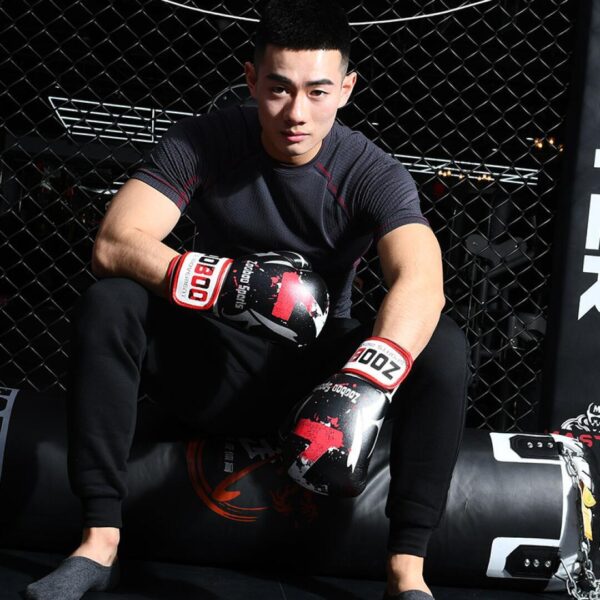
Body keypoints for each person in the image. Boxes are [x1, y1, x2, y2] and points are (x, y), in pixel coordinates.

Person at [25, 1, 468, 599]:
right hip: (210, 366)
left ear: (346, 89)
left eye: (317, 92)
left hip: (314, 388)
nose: (296, 114)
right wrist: (229, 282)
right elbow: (114, 241)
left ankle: (406, 571)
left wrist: (368, 375)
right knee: (113, 300)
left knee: (441, 345)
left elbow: (422, 277)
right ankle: (100, 542)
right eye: (279, 89)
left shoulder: (370, 171)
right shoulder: (206, 142)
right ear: (251, 79)